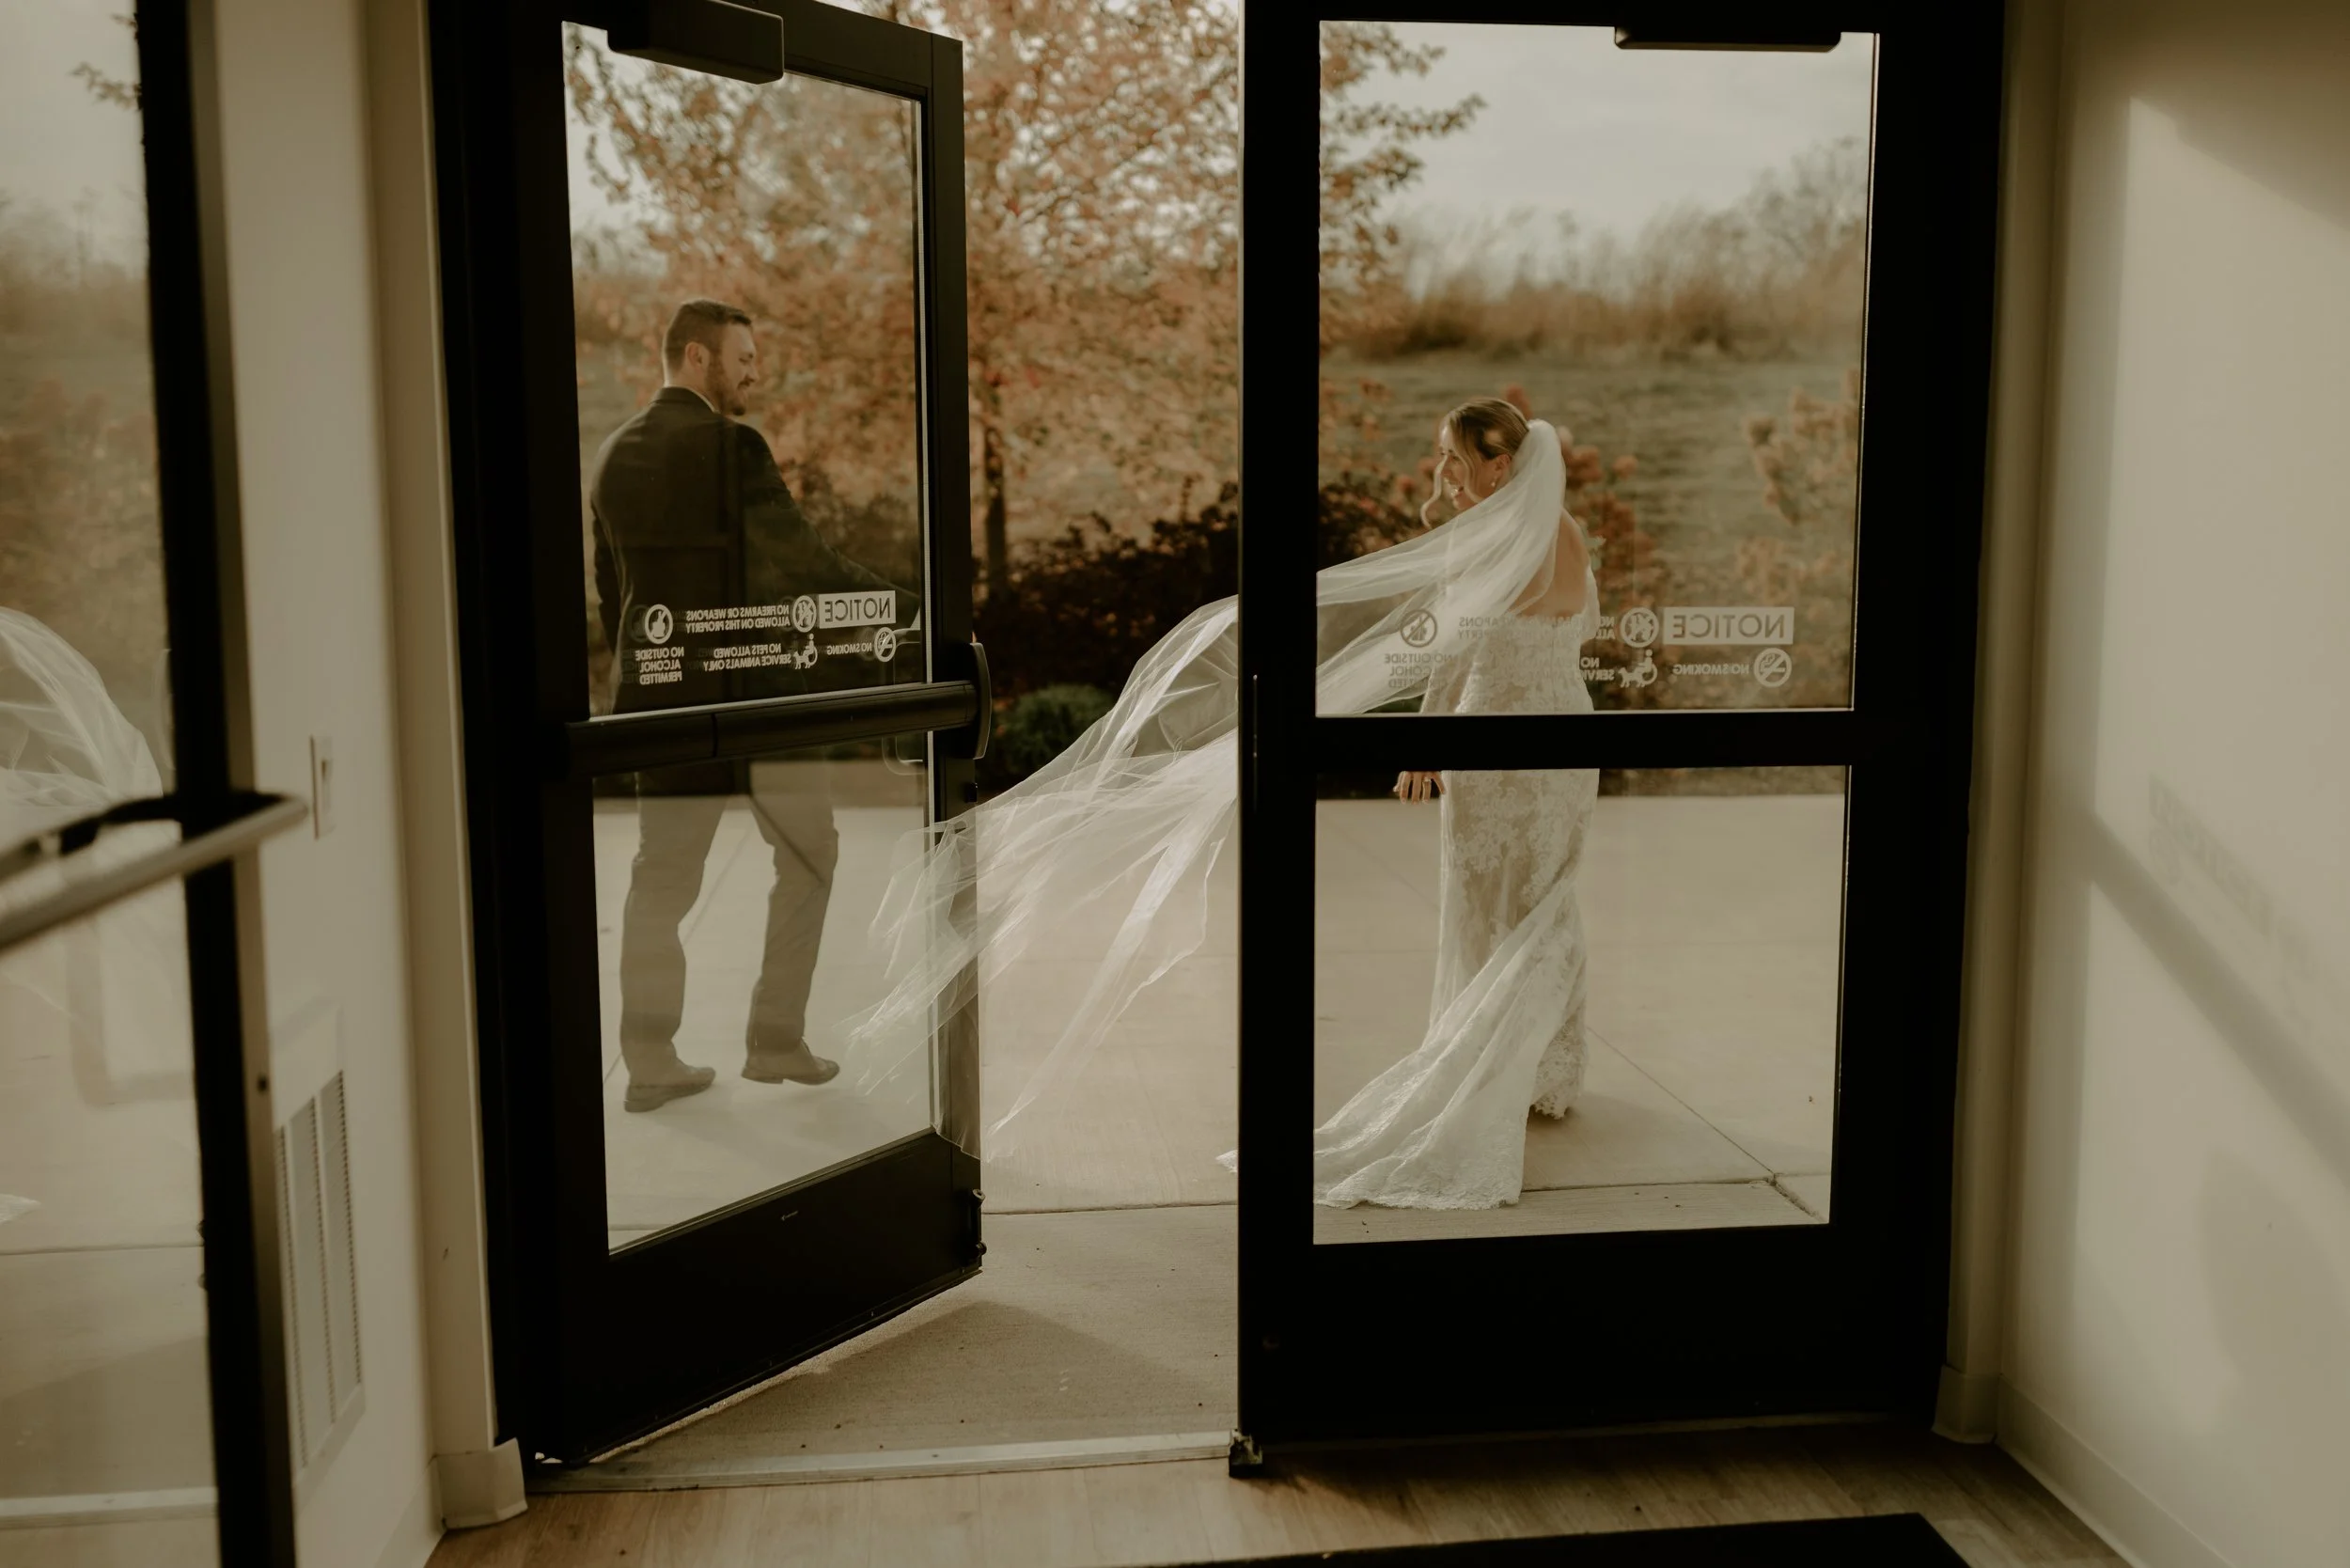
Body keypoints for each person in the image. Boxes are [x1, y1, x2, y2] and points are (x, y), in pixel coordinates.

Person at [847, 398, 1598, 1209]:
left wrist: (1430, 734)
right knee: (1518, 900)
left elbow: (1458, 646)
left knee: (1518, 901)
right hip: (1542, 730)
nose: (1443, 476)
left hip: (1509, 736)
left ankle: (1506, 1066)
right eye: (1441, 458)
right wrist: (1429, 737)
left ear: (1498, 463)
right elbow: (1530, 640)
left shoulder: (1492, 542)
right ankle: (1531, 1068)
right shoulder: (1550, 536)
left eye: (1455, 459)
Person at [590, 298, 916, 1112]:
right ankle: (774, 1041)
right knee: (809, 859)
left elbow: (612, 598)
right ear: (696, 357)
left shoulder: (611, 454)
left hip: (660, 703)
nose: (755, 372)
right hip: (760, 705)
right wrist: (904, 607)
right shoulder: (733, 446)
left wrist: (655, 668)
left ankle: (650, 1059)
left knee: (660, 883)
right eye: (743, 356)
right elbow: (801, 558)